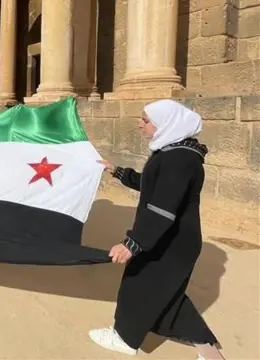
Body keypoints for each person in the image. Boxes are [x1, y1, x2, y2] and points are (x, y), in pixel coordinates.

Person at [89, 100, 223, 360]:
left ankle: (125, 340)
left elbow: (162, 209)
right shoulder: (172, 152)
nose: (140, 124)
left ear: (166, 124)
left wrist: (133, 244)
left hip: (171, 243)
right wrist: (117, 171)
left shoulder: (179, 159)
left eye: (146, 120)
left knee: (139, 285)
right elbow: (152, 186)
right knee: (165, 295)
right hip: (169, 239)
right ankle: (210, 352)